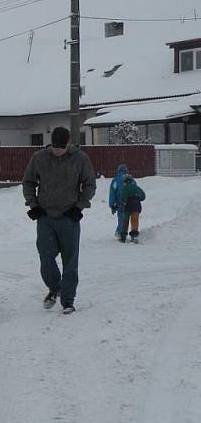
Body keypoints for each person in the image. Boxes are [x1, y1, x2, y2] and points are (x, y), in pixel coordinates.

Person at [23, 127, 97, 314]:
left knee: (70, 261)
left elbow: (89, 184)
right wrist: (34, 205)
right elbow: (28, 182)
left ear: (68, 143)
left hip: (69, 218)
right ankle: (55, 288)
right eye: (55, 147)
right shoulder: (39, 158)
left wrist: (79, 206)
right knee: (46, 257)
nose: (58, 151)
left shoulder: (80, 159)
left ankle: (68, 301)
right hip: (46, 217)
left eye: (61, 148)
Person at [118, 174, 146, 243]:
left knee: (125, 221)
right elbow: (143, 196)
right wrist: (138, 199)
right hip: (136, 205)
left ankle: (123, 237)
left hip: (128, 206)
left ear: (125, 181)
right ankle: (134, 236)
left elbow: (123, 198)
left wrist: (123, 202)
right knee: (134, 220)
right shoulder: (136, 187)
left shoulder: (125, 188)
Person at [108, 164, 129, 239]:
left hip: (120, 203)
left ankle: (120, 232)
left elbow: (112, 193)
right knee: (126, 218)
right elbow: (134, 188)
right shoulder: (130, 179)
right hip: (130, 202)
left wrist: (112, 205)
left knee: (121, 218)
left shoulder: (116, 180)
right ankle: (122, 232)